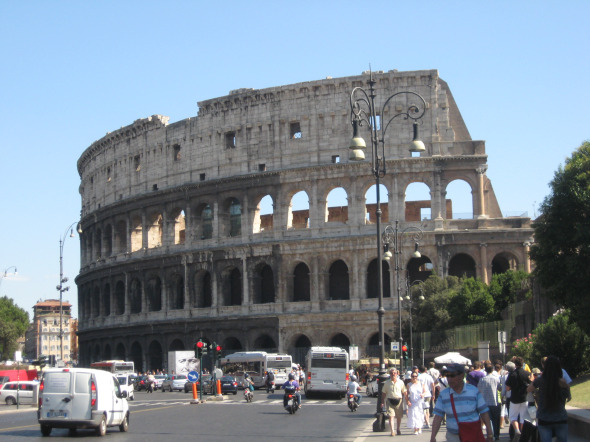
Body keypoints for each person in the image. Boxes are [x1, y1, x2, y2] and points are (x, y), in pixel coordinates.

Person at [430, 363, 494, 442]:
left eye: (452, 375)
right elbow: (438, 417)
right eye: (447, 376)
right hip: (453, 437)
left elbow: (484, 412)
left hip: (472, 435)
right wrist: (433, 437)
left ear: (461, 376)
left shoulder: (474, 391)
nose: (449, 379)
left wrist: (490, 433)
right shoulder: (443, 395)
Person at [528, 355, 571, 442]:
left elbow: (529, 389)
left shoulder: (540, 380)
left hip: (544, 417)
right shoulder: (562, 382)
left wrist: (532, 381)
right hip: (560, 417)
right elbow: (568, 396)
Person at [505, 356, 531, 440]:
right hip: (524, 397)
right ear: (522, 363)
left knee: (513, 417)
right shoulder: (527, 373)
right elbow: (532, 383)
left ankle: (517, 430)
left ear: (515, 364)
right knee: (523, 417)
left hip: (514, 398)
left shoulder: (512, 374)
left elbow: (507, 388)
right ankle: (523, 432)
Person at [478, 363, 501, 441]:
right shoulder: (496, 379)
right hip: (494, 402)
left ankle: (489, 435)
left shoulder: (482, 379)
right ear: (492, 370)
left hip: (485, 403)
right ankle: (497, 435)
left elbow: (479, 390)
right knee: (496, 420)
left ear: (485, 370)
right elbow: (500, 388)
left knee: (487, 421)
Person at [381, 368, 407, 436]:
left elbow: (404, 392)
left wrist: (407, 401)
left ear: (397, 374)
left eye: (394, 373)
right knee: (391, 416)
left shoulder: (400, 382)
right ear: (390, 374)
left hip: (399, 401)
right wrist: (382, 402)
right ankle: (392, 431)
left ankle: (398, 429)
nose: (393, 374)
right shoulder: (387, 383)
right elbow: (383, 393)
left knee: (399, 417)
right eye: (391, 373)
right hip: (390, 401)